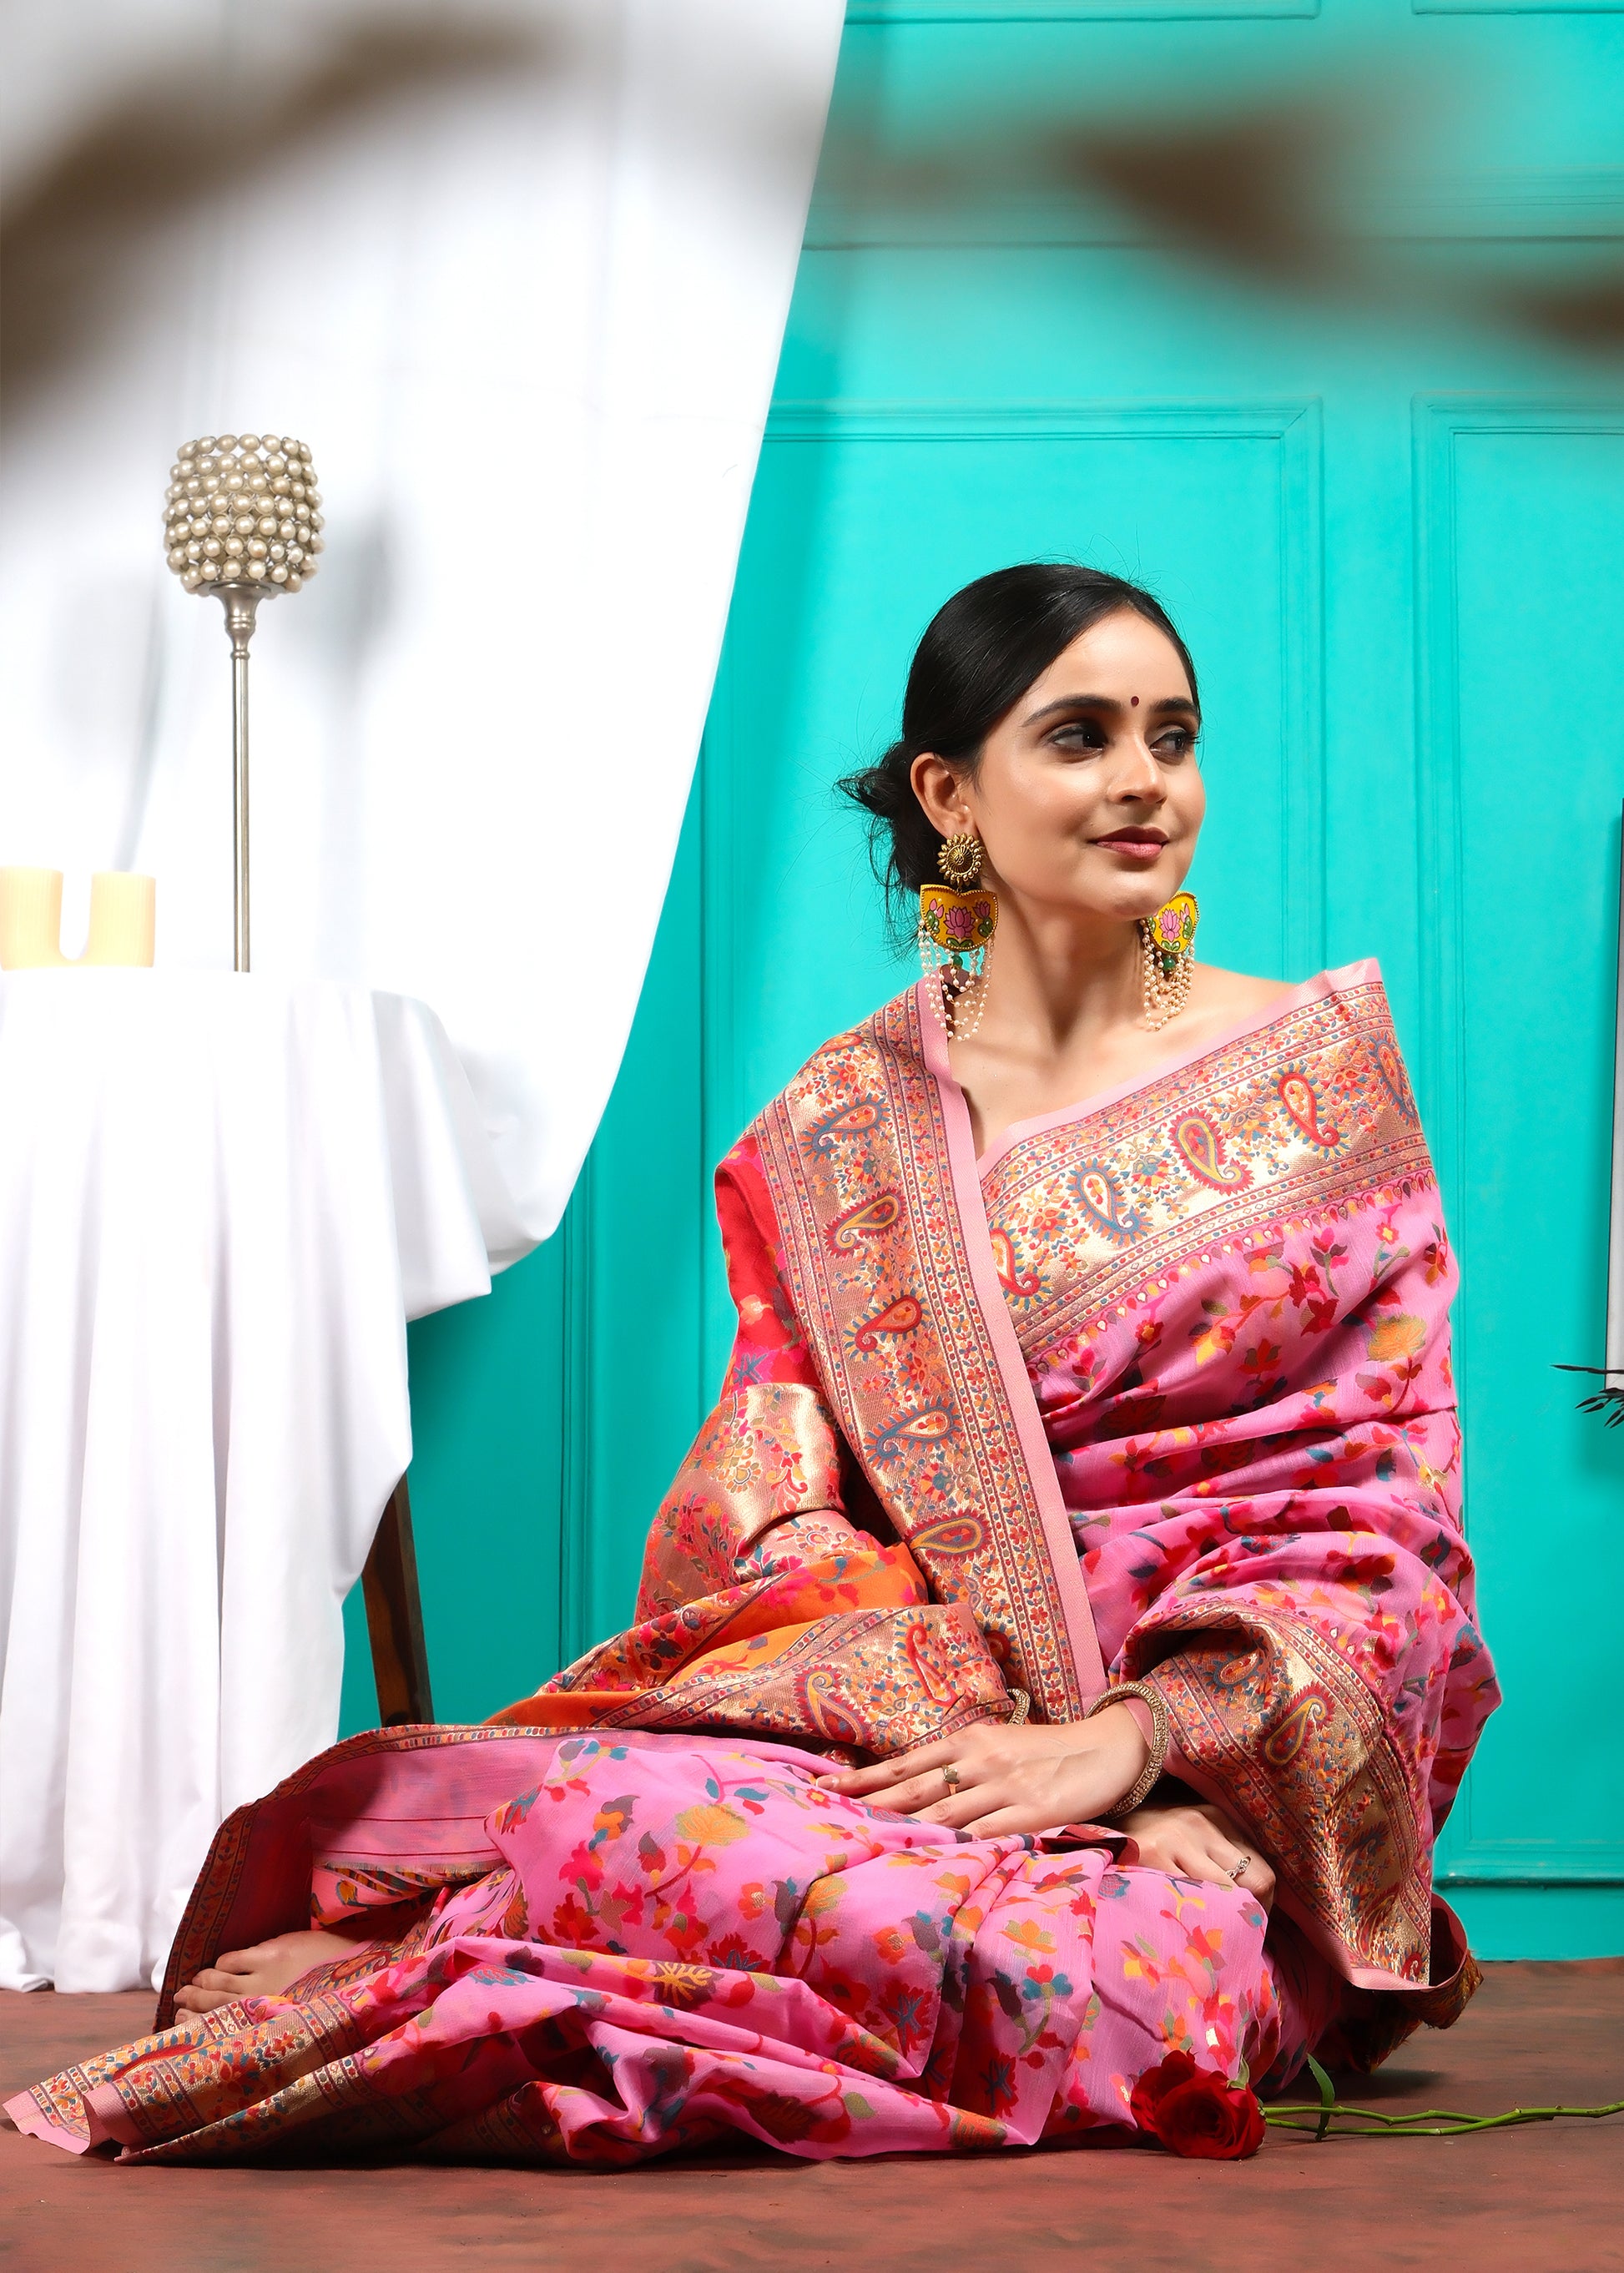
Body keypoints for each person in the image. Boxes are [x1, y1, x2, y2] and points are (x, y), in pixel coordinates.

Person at [9, 563, 1497, 2166]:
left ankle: (453, 1967)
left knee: (1142, 2001)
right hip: (929, 1748)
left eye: (1172, 735)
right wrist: (951, 1701)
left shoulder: (1321, 1085)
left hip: (1223, 1808)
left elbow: (1387, 1512)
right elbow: (770, 1513)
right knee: (615, 1809)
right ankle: (469, 1950)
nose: (1147, 781)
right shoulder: (837, 1130)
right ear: (953, 797)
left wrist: (1140, 1749)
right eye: (1080, 736)